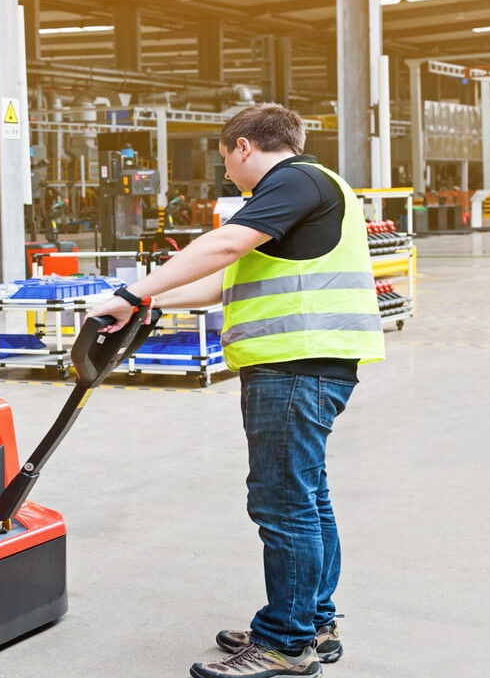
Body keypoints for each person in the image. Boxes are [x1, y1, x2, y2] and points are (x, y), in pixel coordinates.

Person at [86, 103, 385, 678]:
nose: (228, 174)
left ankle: (285, 643)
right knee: (307, 496)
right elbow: (226, 281)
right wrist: (147, 304)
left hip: (296, 365)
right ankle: (312, 621)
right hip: (308, 363)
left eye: (227, 160)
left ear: (244, 147)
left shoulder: (294, 180)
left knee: (282, 502)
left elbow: (220, 248)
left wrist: (128, 292)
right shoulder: (308, 192)